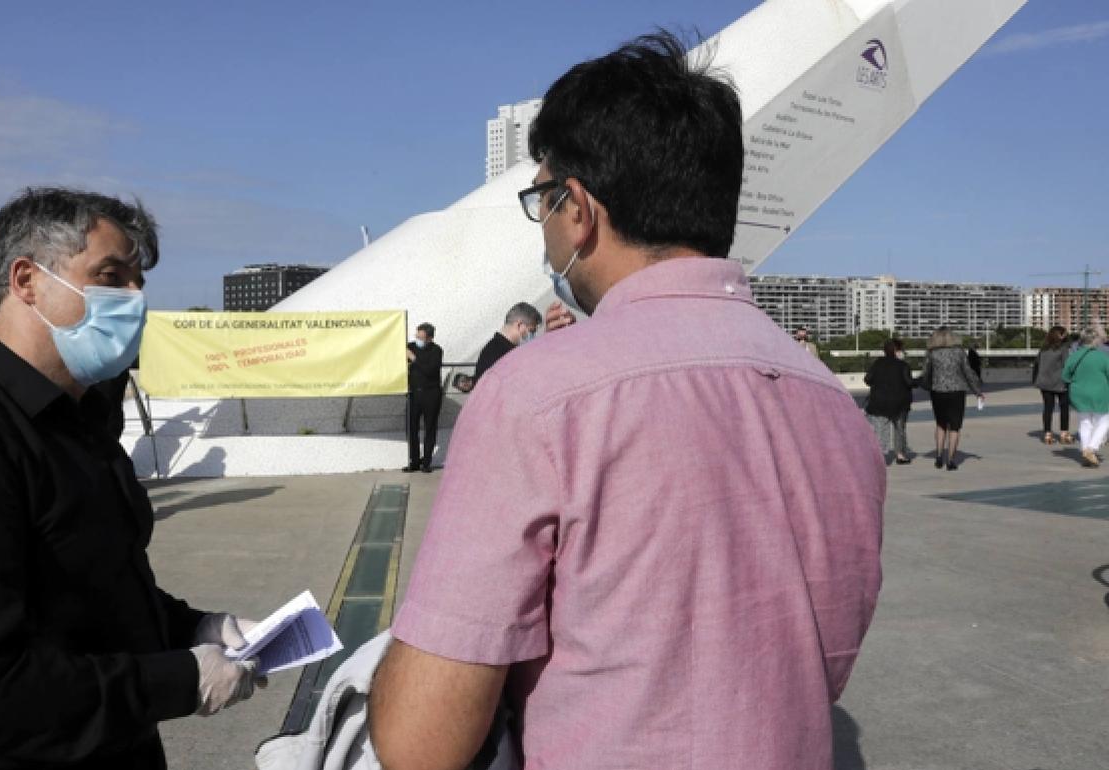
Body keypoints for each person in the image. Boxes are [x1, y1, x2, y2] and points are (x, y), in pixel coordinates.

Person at [370, 31, 885, 770]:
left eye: (541, 203)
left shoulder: (539, 394)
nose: (546, 233)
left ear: (577, 208)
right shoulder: (835, 406)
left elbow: (421, 744)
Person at [0, 188, 262, 770]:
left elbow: (91, 590)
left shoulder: (78, 423)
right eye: (110, 276)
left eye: (138, 282)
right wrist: (177, 680)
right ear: (26, 280)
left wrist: (192, 627)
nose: (135, 300)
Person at [921, 326, 984, 471]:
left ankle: (938, 456)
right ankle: (950, 460)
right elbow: (968, 373)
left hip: (938, 392)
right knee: (955, 427)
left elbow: (926, 373)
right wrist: (977, 391)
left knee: (940, 424)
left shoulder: (932, 353)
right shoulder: (959, 352)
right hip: (957, 392)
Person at [456, 303, 543, 393]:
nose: (533, 336)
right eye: (531, 331)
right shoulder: (502, 356)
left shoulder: (494, 349)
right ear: (519, 325)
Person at [1062, 327, 1109, 467]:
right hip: (1099, 393)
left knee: (1085, 422)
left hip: (1078, 394)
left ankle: (1085, 450)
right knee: (1104, 420)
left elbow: (1065, 376)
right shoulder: (1102, 357)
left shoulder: (1074, 356)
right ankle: (1091, 448)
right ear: (1095, 340)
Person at [864, 339, 915, 464]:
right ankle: (900, 455)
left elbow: (868, 379)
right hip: (900, 402)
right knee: (899, 429)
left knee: (881, 429)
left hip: (879, 401)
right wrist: (919, 381)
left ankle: (881, 455)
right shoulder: (903, 365)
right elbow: (909, 382)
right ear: (896, 351)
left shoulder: (878, 363)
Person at [404, 321, 443, 472]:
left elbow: (430, 370)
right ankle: (414, 461)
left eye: (421, 337)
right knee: (411, 427)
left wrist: (414, 359)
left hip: (431, 394)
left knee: (430, 427)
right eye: (417, 336)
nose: (418, 339)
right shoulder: (411, 347)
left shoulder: (436, 351)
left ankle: (426, 462)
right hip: (414, 393)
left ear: (430, 338)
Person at [1032, 325, 1073, 445]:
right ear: (1059, 335)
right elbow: (1067, 365)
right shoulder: (1063, 348)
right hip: (1060, 383)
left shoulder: (1043, 349)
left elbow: (1037, 364)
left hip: (1044, 383)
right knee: (1064, 408)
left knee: (1048, 408)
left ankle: (1047, 434)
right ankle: (1064, 433)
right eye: (1064, 333)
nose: (1066, 335)